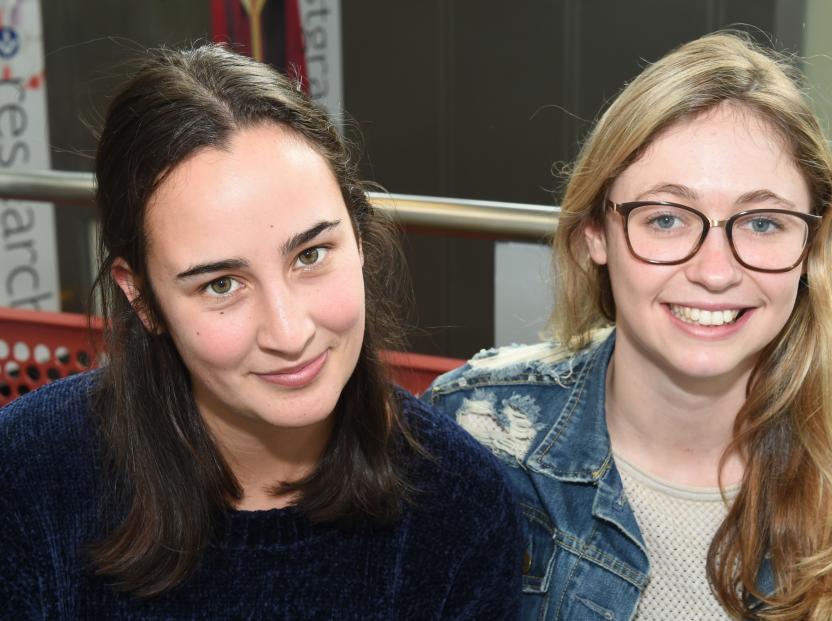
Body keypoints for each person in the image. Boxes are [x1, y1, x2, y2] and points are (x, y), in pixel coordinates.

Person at [425, 31, 832, 621]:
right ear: (595, 234)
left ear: (812, 247)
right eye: (668, 219)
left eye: (762, 223)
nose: (716, 272)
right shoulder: (474, 433)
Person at [0, 44, 521, 619]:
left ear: (360, 238)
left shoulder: (460, 508)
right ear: (141, 298)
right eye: (221, 284)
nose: (289, 331)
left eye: (312, 254)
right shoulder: (25, 478)